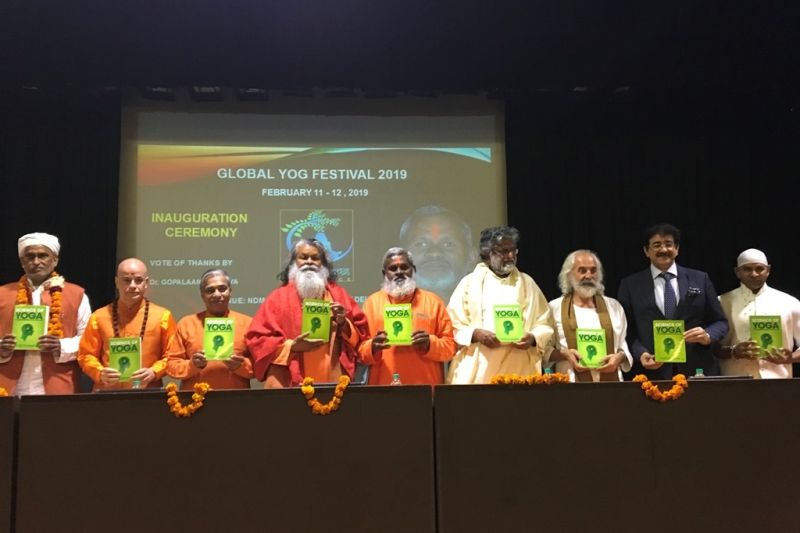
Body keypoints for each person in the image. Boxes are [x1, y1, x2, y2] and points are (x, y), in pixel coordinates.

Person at [245, 238, 368, 387]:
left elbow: (361, 336)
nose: (309, 262)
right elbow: (257, 339)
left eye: (315, 258)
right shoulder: (277, 298)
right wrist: (291, 346)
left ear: (323, 264)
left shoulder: (339, 295)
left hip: (333, 380)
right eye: (303, 257)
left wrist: (343, 323)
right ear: (293, 262)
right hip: (289, 383)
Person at [617, 223, 728, 379]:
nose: (663, 250)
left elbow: (720, 322)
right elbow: (626, 329)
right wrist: (640, 353)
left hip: (697, 370)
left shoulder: (700, 279)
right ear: (646, 251)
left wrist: (707, 335)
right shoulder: (630, 285)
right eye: (656, 245)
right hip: (651, 372)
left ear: (677, 249)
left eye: (668, 244)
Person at [446, 226, 555, 384]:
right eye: (503, 251)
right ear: (487, 254)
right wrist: (475, 334)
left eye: (513, 250)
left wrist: (533, 338)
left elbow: (544, 322)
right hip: (481, 369)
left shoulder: (527, 283)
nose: (510, 256)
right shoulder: (469, 283)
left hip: (520, 366)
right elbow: (452, 324)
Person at [0, 232, 91, 394]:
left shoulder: (76, 295)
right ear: (22, 262)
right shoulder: (2, 294)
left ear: (55, 260)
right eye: (30, 256)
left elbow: (88, 340)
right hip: (8, 387)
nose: (36, 262)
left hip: (57, 385)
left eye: (43, 256)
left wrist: (60, 346)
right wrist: (2, 347)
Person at [358, 247, 456, 385]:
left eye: (404, 267)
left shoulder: (433, 302)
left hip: (425, 390)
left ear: (413, 270)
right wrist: (372, 347)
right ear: (384, 273)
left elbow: (450, 348)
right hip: (382, 389)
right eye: (393, 268)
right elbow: (359, 351)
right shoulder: (371, 303)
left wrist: (430, 343)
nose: (399, 272)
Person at [78, 258, 178, 390]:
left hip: (148, 392)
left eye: (138, 280)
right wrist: (100, 373)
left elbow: (173, 356)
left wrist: (154, 372)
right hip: (107, 392)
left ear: (146, 283)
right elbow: (85, 355)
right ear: (116, 282)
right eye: (126, 280)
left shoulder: (162, 316)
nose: (132, 285)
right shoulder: (99, 316)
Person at [547, 250, 632, 382]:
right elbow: (544, 350)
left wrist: (619, 358)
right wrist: (565, 354)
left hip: (611, 387)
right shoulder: (554, 308)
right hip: (570, 386)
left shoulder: (614, 306)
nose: (588, 275)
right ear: (569, 275)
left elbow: (622, 347)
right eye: (582, 270)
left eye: (593, 271)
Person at [715, 248, 800, 378]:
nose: (754, 274)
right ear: (737, 272)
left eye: (760, 269)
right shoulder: (721, 302)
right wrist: (733, 351)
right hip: (734, 381)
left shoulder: (789, 302)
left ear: (768, 270)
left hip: (779, 381)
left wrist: (791, 357)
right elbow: (709, 347)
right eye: (747, 269)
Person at [166, 269, 255, 389]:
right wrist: (192, 365)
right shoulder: (186, 324)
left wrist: (241, 366)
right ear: (202, 296)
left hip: (236, 397)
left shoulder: (247, 323)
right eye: (210, 290)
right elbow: (171, 365)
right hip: (195, 397)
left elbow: (260, 365)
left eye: (222, 289)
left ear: (230, 291)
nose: (217, 294)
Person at [399, 205, 477, 302]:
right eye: (421, 244)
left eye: (448, 244)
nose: (434, 253)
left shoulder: (490, 307)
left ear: (471, 257)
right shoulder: (381, 309)